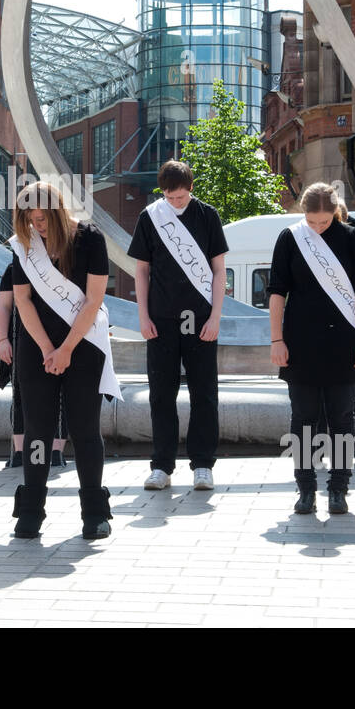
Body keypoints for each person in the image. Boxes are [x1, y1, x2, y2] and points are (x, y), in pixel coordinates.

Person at [7, 181, 120, 540]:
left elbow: (93, 300)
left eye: (41, 219)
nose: (36, 227)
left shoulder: (90, 239)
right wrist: (45, 349)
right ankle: (30, 510)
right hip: (37, 348)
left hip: (83, 345)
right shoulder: (25, 245)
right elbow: (22, 301)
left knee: (85, 430)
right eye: (29, 220)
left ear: (56, 213)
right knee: (37, 432)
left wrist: (67, 349)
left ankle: (94, 513)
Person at [268, 182, 355, 516]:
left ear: (335, 212)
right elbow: (276, 293)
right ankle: (305, 489)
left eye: (324, 222)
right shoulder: (290, 238)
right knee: (302, 418)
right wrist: (276, 340)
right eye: (312, 221)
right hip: (299, 342)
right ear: (303, 213)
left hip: (344, 342)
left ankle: (339, 489)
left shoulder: (352, 237)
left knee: (343, 418)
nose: (317, 228)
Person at [128, 160, 227, 492]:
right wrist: (142, 317)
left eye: (181, 197)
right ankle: (161, 466)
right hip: (161, 320)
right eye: (171, 198)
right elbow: (141, 271)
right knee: (161, 396)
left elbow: (218, 271)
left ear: (191, 188)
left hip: (201, 320)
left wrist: (215, 317)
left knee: (205, 395)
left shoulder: (207, 216)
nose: (176, 203)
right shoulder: (150, 217)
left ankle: (202, 465)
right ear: (163, 192)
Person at [316, 201, 355, 466]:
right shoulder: (306, 235)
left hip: (352, 320)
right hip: (321, 323)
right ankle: (319, 452)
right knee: (318, 390)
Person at [0, 264, 67, 470]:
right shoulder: (14, 268)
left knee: (59, 393)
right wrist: (2, 339)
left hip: (57, 340)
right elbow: (4, 306)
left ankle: (55, 450)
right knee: (19, 394)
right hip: (20, 339)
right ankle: (20, 451)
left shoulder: (62, 264)